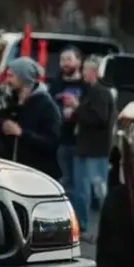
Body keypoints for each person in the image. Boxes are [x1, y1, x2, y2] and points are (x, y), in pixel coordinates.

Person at [0, 56, 61, 178]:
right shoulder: (10, 102)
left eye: (11, 76)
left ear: (23, 77)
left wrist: (21, 133)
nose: (7, 80)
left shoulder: (46, 106)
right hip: (11, 169)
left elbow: (52, 143)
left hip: (38, 173)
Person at [70, 55, 115, 235]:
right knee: (82, 189)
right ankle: (82, 225)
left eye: (84, 70)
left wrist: (77, 107)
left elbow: (100, 118)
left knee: (97, 190)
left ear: (93, 72)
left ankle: (106, 227)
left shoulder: (100, 92)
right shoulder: (93, 91)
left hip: (95, 150)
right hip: (86, 148)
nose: (82, 74)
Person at [47, 46, 84, 198]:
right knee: (63, 182)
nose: (65, 63)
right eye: (62, 60)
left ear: (79, 61)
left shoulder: (86, 86)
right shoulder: (54, 85)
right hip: (60, 140)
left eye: (69, 59)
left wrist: (77, 107)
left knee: (81, 184)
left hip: (81, 142)